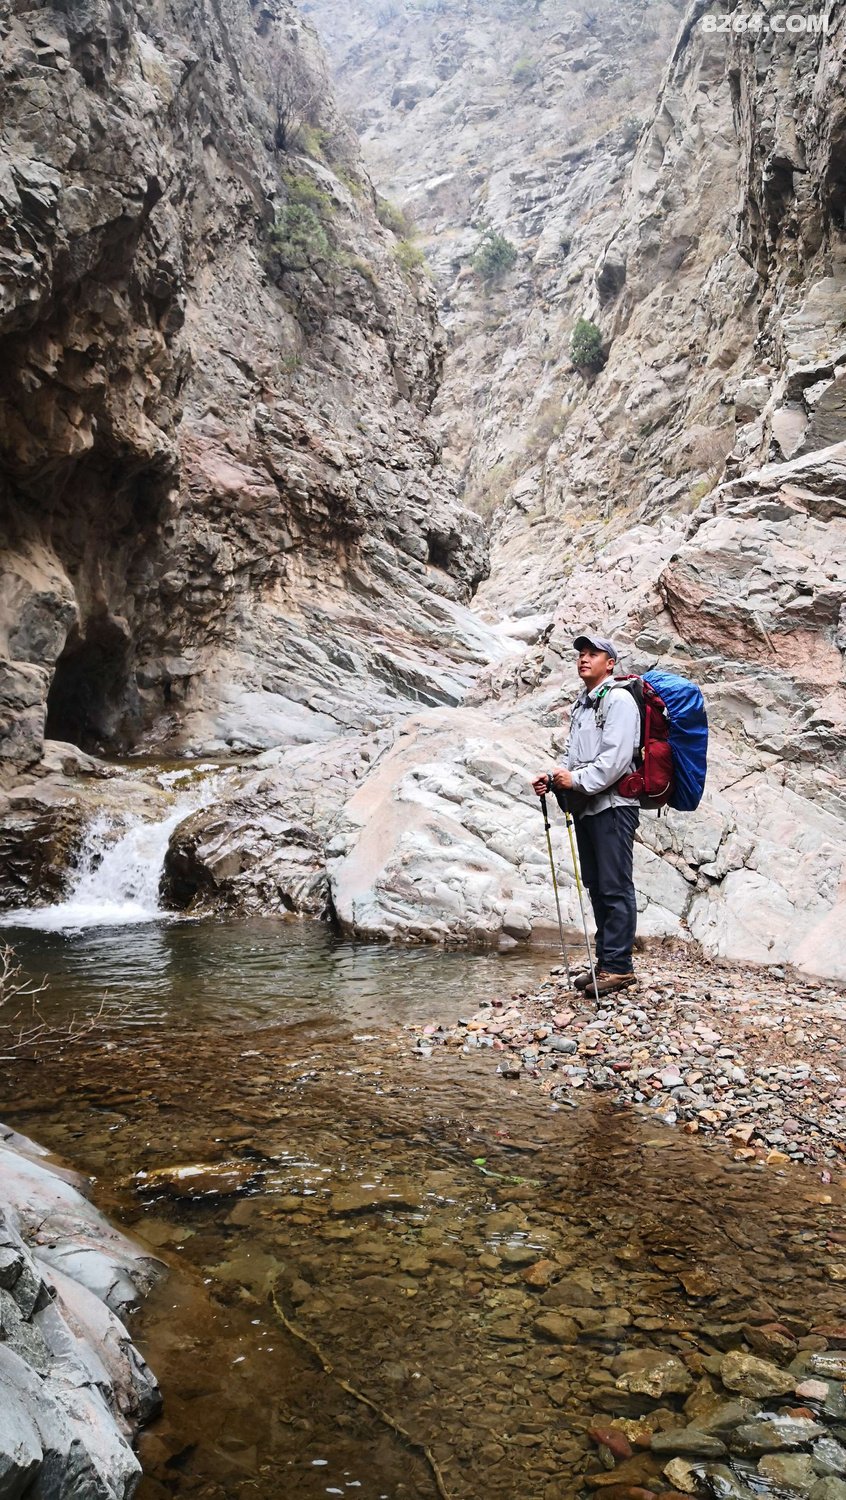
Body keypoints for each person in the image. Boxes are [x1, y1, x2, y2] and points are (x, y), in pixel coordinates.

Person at [532, 633, 641, 995]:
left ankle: (619, 968)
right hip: (590, 806)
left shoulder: (619, 700)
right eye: (581, 653)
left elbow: (616, 759)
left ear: (610, 664)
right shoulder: (583, 705)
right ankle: (606, 962)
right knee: (596, 884)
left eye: (593, 653)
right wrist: (553, 778)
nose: (584, 658)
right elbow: (573, 757)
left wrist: (575, 780)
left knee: (615, 886)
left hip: (615, 807)